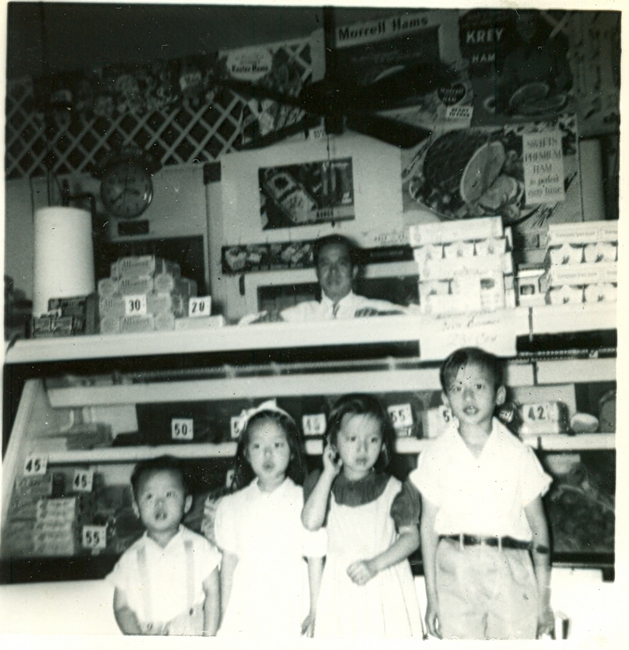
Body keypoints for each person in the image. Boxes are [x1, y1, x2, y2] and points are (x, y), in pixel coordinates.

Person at [410, 347, 554, 640]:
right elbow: (427, 529)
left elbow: (539, 528)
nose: (468, 397)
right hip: (455, 567)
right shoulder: (435, 455)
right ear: (445, 398)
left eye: (478, 386)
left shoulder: (519, 455)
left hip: (511, 569)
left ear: (499, 395)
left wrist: (543, 601)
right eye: (457, 388)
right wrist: (432, 598)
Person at [302, 394, 424, 638]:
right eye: (351, 438)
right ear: (333, 442)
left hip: (383, 582)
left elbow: (411, 538)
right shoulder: (321, 484)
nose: (362, 448)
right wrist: (328, 473)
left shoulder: (396, 488)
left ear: (383, 445)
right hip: (340, 588)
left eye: (373, 439)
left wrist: (374, 564)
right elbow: (311, 522)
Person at [210, 402, 325, 638]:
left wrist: (316, 611)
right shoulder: (231, 506)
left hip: (292, 600)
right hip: (247, 606)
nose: (268, 454)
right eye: (258, 446)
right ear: (246, 453)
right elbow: (227, 568)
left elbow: (315, 559)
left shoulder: (307, 501)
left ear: (293, 451)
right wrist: (221, 620)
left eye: (277, 445)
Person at [107, 456, 221, 636]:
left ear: (187, 503)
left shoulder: (200, 547)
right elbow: (121, 607)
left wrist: (209, 637)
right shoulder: (131, 558)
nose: (160, 503)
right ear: (136, 507)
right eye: (149, 496)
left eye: (169, 494)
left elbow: (213, 593)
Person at [240, 234, 408, 323]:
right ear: (317, 272)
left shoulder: (371, 309)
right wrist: (265, 322)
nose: (333, 271)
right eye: (325, 264)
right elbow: (244, 325)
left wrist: (387, 318)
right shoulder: (303, 314)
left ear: (355, 271)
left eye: (341, 264)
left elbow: (415, 317)